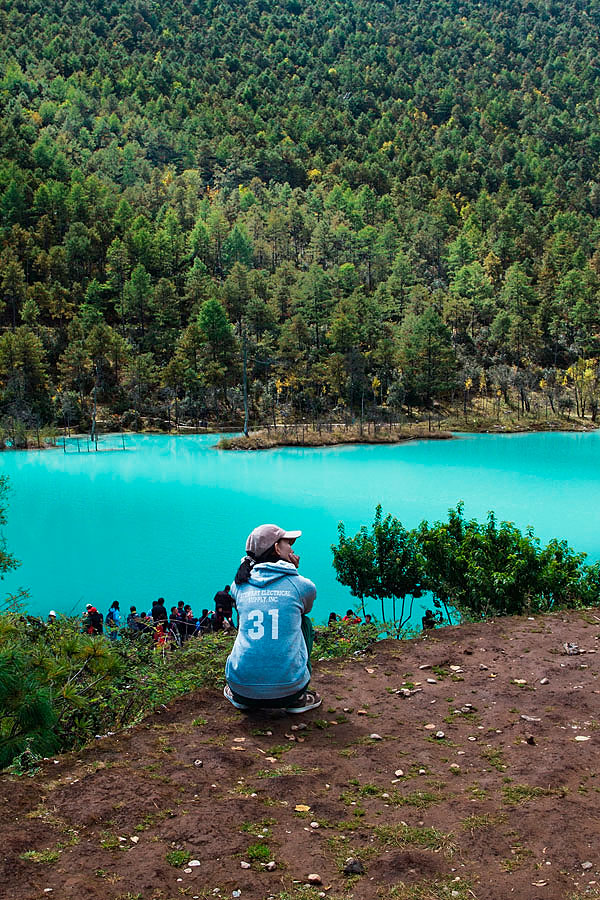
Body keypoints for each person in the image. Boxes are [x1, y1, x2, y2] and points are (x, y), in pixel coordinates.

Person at [224, 523, 322, 713]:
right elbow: (304, 608)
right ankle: (299, 698)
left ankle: (247, 691)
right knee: (304, 622)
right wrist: (293, 570)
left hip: (240, 688)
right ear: (277, 548)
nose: (292, 548)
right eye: (288, 543)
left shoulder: (238, 586)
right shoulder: (302, 586)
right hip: (289, 690)